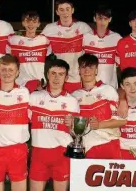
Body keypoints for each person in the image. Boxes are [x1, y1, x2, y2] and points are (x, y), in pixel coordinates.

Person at [28, 59, 79, 191]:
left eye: (61, 74)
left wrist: (71, 126)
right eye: (53, 73)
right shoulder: (34, 97)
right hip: (39, 153)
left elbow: (76, 134)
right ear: (47, 75)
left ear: (66, 77)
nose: (57, 78)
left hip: (61, 154)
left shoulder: (72, 101)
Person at [0, 55, 30, 191]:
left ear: (18, 72)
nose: (7, 73)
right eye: (3, 69)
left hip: (17, 149)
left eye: (10, 70)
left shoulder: (24, 93)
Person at [71, 54, 125, 159]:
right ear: (79, 70)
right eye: (83, 67)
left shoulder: (108, 90)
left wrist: (99, 125)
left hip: (109, 143)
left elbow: (121, 121)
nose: (87, 71)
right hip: (87, 147)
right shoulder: (74, 96)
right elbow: (73, 128)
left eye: (90, 67)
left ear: (96, 70)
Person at [41, 0, 92, 93]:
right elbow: (40, 54)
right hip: (58, 78)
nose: (65, 13)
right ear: (57, 12)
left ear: (72, 10)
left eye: (67, 9)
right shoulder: (49, 29)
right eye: (61, 9)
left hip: (78, 78)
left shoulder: (83, 27)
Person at [8, 11, 51, 92]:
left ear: (38, 24)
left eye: (34, 22)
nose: (31, 24)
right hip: (21, 84)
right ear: (23, 23)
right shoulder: (13, 40)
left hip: (39, 86)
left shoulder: (44, 40)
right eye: (28, 21)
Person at [83, 5, 122, 89]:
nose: (102, 22)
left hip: (110, 87)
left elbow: (120, 63)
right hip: (90, 87)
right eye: (100, 18)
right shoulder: (86, 37)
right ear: (94, 18)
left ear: (110, 19)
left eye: (105, 19)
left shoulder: (117, 38)